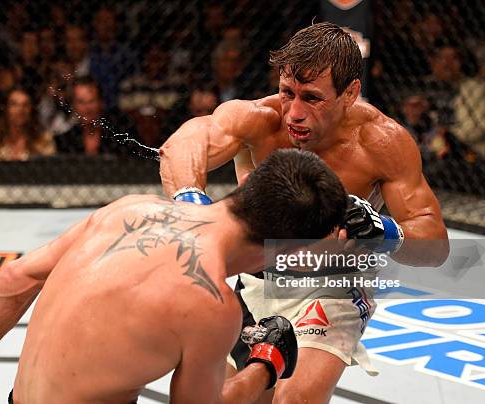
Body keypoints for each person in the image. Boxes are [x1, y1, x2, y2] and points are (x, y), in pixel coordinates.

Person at [159, 22, 449, 403]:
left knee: (293, 399)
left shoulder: (381, 142)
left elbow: (435, 243)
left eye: (312, 98)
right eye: (287, 93)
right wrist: (192, 206)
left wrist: (384, 230)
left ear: (350, 93)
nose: (293, 112)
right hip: (257, 278)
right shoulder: (261, 119)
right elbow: (186, 142)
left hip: (334, 286)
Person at [0, 149, 348, 403]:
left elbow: (17, 277)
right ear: (289, 248)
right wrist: (265, 364)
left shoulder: (131, 209)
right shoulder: (211, 306)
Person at [0, 87, 55, 161]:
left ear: (31, 110)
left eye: (25, 105)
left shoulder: (44, 139)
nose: (20, 110)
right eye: (14, 104)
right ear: (6, 109)